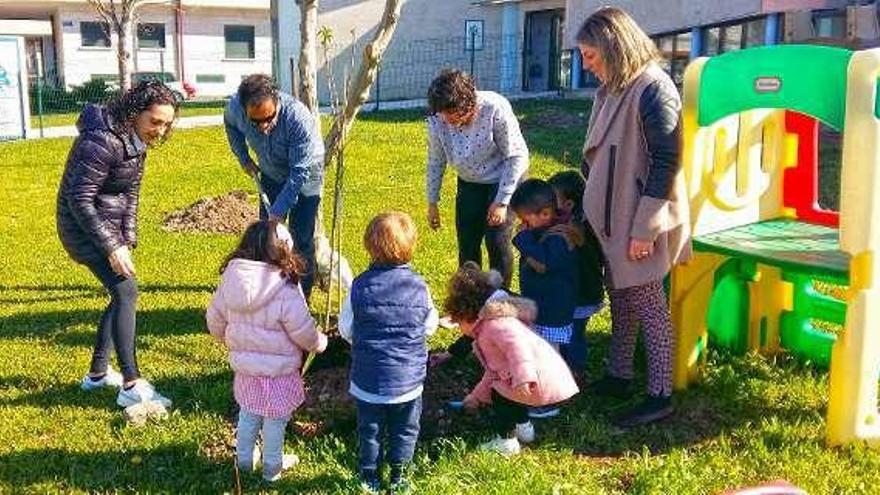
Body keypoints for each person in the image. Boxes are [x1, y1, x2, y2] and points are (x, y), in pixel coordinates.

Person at [576, 7, 691, 427]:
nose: (586, 65)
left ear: (613, 47)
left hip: (637, 216)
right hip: (612, 216)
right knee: (621, 296)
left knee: (647, 304)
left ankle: (659, 394)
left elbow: (666, 161)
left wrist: (644, 228)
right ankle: (619, 374)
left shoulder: (652, 89)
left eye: (591, 55)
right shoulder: (612, 89)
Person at [57, 79, 179, 407]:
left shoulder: (135, 141)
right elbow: (78, 200)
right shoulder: (101, 141)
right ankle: (131, 384)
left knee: (120, 293)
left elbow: (131, 193)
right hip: (81, 228)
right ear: (135, 112)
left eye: (167, 124)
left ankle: (97, 376)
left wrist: (128, 237)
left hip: (105, 225)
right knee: (127, 292)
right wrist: (112, 245)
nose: (161, 131)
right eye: (155, 122)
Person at [206, 220, 328, 482]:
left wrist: (230, 338)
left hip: (246, 370)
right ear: (283, 250)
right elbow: (302, 329)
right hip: (279, 372)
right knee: (275, 420)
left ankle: (245, 461)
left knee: (248, 413)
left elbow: (214, 321)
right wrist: (319, 343)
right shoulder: (284, 285)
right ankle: (272, 468)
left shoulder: (231, 279)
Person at [339, 212, 438, 493]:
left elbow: (346, 328)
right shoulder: (420, 287)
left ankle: (368, 476)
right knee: (405, 429)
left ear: (369, 246)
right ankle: (399, 476)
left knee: (369, 429)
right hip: (408, 382)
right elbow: (430, 325)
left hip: (367, 380)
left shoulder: (358, 287)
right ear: (411, 246)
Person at [444, 264, 579, 456]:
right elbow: (493, 373)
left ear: (467, 314)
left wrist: (524, 377)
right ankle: (525, 429)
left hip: (537, 378)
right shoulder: (487, 328)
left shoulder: (496, 326)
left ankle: (506, 442)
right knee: (504, 390)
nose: (458, 328)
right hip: (537, 377)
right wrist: (475, 397)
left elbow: (519, 349)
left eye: (457, 322)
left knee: (501, 395)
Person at [425, 68, 529, 288]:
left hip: (504, 177)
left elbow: (517, 156)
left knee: (496, 241)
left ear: (468, 104)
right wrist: (432, 202)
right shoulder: (437, 119)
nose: (446, 120)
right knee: (467, 242)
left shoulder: (494, 108)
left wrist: (501, 202)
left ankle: (499, 299)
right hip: (470, 181)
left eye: (452, 114)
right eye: (442, 114)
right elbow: (436, 161)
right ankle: (470, 302)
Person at [224, 74, 324, 300]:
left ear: (276, 101)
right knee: (265, 238)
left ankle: (301, 298)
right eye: (256, 121)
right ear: (244, 109)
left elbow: (299, 173)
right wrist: (243, 157)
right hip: (270, 171)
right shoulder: (235, 108)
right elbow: (230, 124)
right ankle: (265, 293)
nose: (264, 127)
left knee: (301, 238)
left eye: (269, 118)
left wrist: (277, 212)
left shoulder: (298, 118)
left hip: (306, 173)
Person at [509, 179, 583, 418]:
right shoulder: (544, 232)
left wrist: (522, 241)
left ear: (545, 213)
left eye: (526, 219)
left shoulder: (558, 238)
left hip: (553, 312)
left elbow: (543, 264)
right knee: (545, 354)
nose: (523, 225)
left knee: (549, 357)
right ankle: (548, 393)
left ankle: (548, 401)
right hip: (544, 308)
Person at [548, 170, 605, 377]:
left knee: (574, 335)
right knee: (567, 332)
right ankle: (564, 368)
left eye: (552, 199)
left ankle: (576, 373)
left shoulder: (579, 230)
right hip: (572, 294)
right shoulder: (567, 223)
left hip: (582, 295)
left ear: (569, 204)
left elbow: (588, 262)